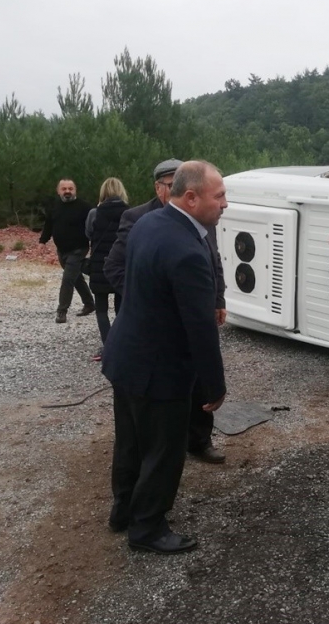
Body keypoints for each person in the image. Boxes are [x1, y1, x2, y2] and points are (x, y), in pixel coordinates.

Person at [101, 160, 228, 554]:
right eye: (220, 196)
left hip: (126, 357)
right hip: (161, 370)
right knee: (163, 452)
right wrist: (214, 385)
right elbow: (200, 327)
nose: (226, 204)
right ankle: (148, 529)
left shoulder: (146, 223)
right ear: (190, 198)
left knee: (130, 443)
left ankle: (123, 511)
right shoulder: (186, 248)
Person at [39, 179, 96, 323]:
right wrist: (42, 241)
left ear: (75, 190)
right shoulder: (54, 206)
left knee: (67, 279)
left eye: (70, 188)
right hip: (62, 250)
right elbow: (48, 225)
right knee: (76, 277)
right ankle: (89, 304)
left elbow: (94, 226)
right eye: (64, 189)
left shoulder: (85, 207)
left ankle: (62, 311)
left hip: (79, 249)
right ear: (58, 191)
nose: (67, 191)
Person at [85, 177, 128, 360]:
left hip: (100, 265)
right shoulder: (129, 213)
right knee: (121, 309)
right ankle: (121, 344)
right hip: (121, 266)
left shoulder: (94, 213)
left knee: (101, 310)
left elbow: (88, 233)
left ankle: (108, 346)